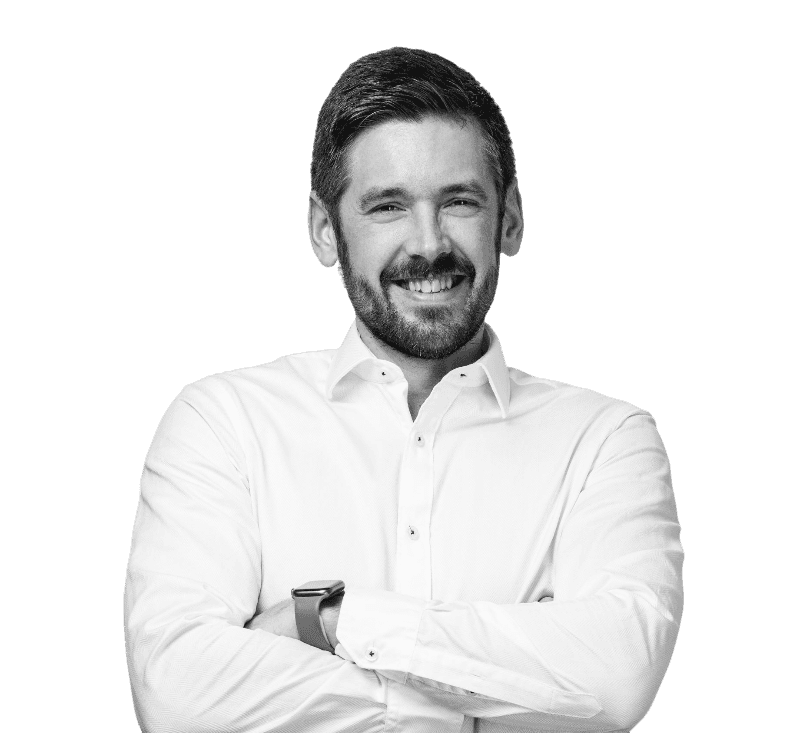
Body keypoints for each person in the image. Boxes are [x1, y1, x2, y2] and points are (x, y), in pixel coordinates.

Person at [124, 47, 683, 733]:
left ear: (510, 218)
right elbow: (178, 698)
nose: (428, 244)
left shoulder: (605, 442)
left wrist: (328, 620)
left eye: (459, 202)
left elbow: (617, 679)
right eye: (387, 206)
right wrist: (485, 692)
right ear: (324, 231)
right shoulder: (223, 424)